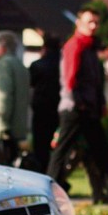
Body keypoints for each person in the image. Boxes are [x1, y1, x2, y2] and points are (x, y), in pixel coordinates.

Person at [47, 6, 108, 206]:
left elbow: (95, 82)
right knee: (62, 153)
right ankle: (47, 194)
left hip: (88, 110)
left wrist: (100, 104)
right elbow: (69, 80)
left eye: (96, 22)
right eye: (89, 22)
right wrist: (80, 104)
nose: (93, 26)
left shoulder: (90, 48)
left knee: (103, 153)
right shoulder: (75, 46)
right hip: (75, 110)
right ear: (79, 23)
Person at [0, 30, 29, 166]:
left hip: (3, 128)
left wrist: (1, 124)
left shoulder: (3, 65)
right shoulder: (20, 65)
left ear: (2, 47)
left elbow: (2, 96)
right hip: (18, 127)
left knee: (4, 169)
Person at [29, 34, 61, 172]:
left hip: (41, 108)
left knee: (40, 145)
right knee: (58, 144)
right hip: (58, 108)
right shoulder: (62, 65)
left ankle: (42, 170)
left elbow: (31, 83)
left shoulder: (37, 65)